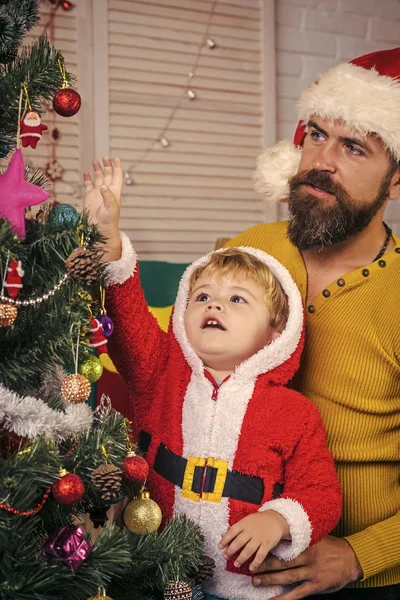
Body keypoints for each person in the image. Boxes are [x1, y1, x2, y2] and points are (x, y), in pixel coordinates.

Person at [83, 164, 341, 600]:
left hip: (249, 588)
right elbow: (126, 319)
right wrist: (109, 243)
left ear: (277, 330)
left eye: (237, 299)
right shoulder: (160, 374)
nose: (214, 305)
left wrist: (280, 519)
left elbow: (321, 491)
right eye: (202, 295)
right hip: (155, 575)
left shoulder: (294, 413)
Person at [223, 47, 400, 599]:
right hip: (231, 558)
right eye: (316, 134)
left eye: (354, 147)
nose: (323, 160)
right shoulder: (252, 248)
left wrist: (357, 556)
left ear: (396, 181)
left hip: (356, 580)